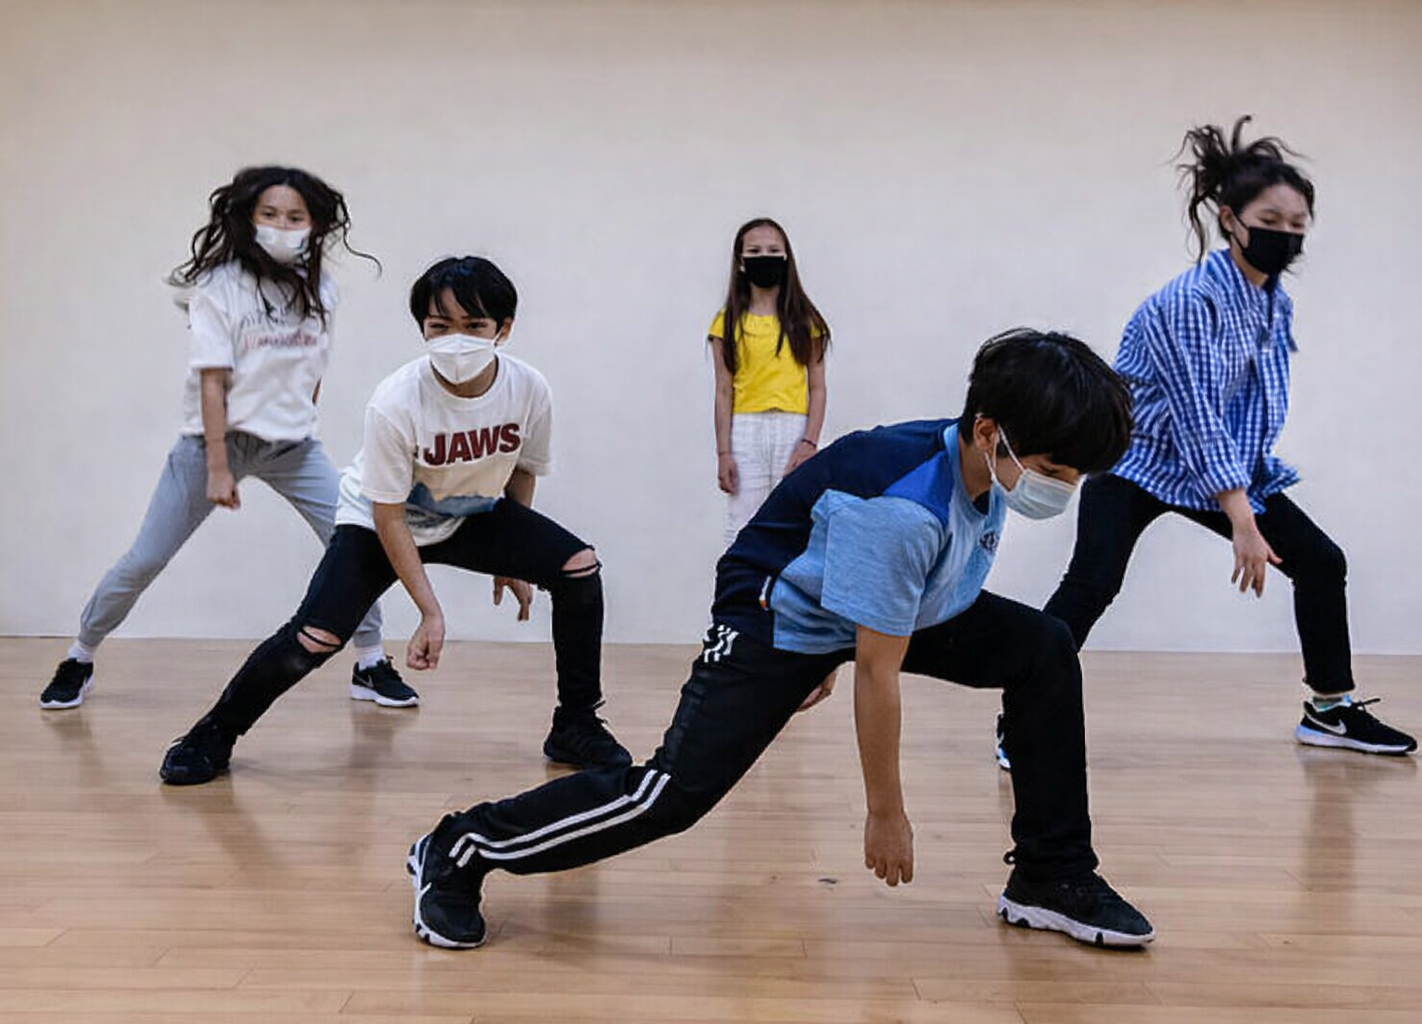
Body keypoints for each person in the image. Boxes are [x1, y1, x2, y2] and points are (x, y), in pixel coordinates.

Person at [407, 329, 1156, 952]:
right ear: (990, 432)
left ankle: (1051, 874)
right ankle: (460, 848)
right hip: (774, 612)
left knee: (1044, 647)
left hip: (872, 599)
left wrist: (846, 626)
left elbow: (901, 604)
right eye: (1054, 471)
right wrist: (885, 810)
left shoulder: (979, 459)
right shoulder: (905, 510)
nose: (1062, 488)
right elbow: (877, 672)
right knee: (669, 795)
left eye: (1076, 475)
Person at [1007, 117, 1416, 766]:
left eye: (1297, 223)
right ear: (1229, 219)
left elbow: (1249, 409)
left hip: (1218, 466)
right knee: (1092, 583)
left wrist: (1255, 492)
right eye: (1270, 219)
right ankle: (1021, 721)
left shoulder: (1273, 301)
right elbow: (1199, 415)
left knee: (1320, 563)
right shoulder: (1188, 302)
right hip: (1135, 462)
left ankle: (1329, 709)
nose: (1286, 233)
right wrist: (1242, 518)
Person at [157, 256, 632, 785]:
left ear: (504, 328)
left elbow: (522, 470)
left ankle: (576, 724)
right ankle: (213, 732)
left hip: (470, 512)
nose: (457, 339)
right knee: (315, 636)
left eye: (474, 325)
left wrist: (513, 557)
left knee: (579, 568)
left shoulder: (529, 388)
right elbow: (387, 514)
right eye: (440, 326)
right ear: (423, 331)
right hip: (379, 521)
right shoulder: (396, 399)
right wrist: (429, 611)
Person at [40, 166, 415, 711]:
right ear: (247, 218)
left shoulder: (322, 291)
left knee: (354, 538)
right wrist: (218, 466)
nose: (282, 225)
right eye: (269, 215)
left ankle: (371, 660)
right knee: (146, 557)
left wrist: (300, 423)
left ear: (312, 225)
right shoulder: (219, 287)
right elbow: (211, 380)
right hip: (213, 442)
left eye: (294, 217)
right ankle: (80, 654)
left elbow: (312, 369)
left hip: (292, 447)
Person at [709, 217, 830, 545]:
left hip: (794, 427)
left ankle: (785, 597)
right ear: (741, 262)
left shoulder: (806, 320)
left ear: (787, 257)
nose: (765, 256)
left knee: (796, 521)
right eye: (755, 250)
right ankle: (739, 595)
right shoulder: (726, 322)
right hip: (744, 429)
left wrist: (809, 442)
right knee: (743, 524)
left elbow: (817, 387)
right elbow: (723, 390)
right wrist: (723, 452)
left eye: (774, 250)